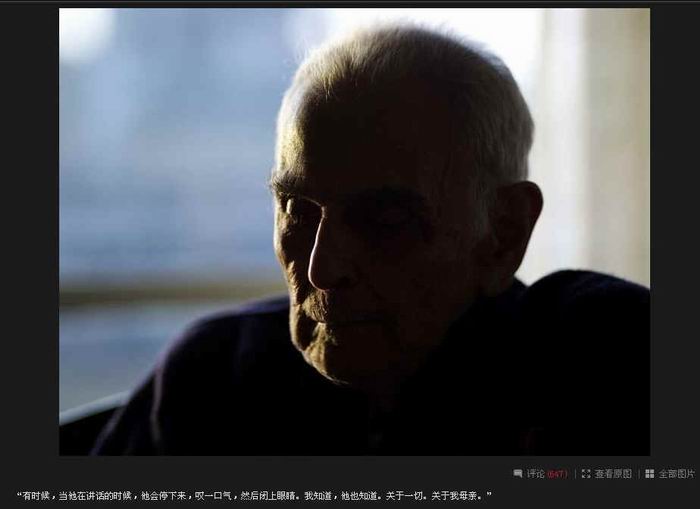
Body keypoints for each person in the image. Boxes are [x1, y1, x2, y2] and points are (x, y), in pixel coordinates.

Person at [91, 24, 649, 455]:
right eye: (297, 210)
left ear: (504, 232)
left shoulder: (606, 359)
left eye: (384, 219)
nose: (321, 268)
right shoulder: (216, 377)